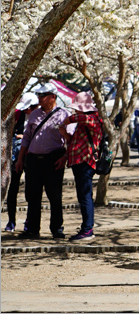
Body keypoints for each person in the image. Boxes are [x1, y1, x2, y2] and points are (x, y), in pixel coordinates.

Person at [15, 88, 70, 239]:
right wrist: (20, 159)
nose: (39, 98)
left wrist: (65, 157)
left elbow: (70, 139)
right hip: (33, 160)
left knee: (54, 196)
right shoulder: (34, 114)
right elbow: (26, 138)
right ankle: (32, 228)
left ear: (52, 97)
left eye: (43, 95)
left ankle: (57, 228)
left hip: (53, 160)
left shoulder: (63, 115)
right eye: (39, 95)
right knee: (32, 196)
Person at [58, 92, 103, 241]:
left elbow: (79, 118)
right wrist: (65, 134)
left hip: (86, 163)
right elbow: (74, 142)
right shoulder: (83, 123)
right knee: (83, 197)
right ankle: (86, 227)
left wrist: (67, 120)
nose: (76, 111)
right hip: (79, 162)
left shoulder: (92, 120)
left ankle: (87, 229)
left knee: (85, 197)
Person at [6, 92, 39, 232]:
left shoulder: (39, 116)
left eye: (28, 108)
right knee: (12, 189)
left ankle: (29, 222)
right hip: (16, 157)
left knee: (31, 191)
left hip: (32, 157)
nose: (27, 111)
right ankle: (11, 221)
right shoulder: (18, 115)